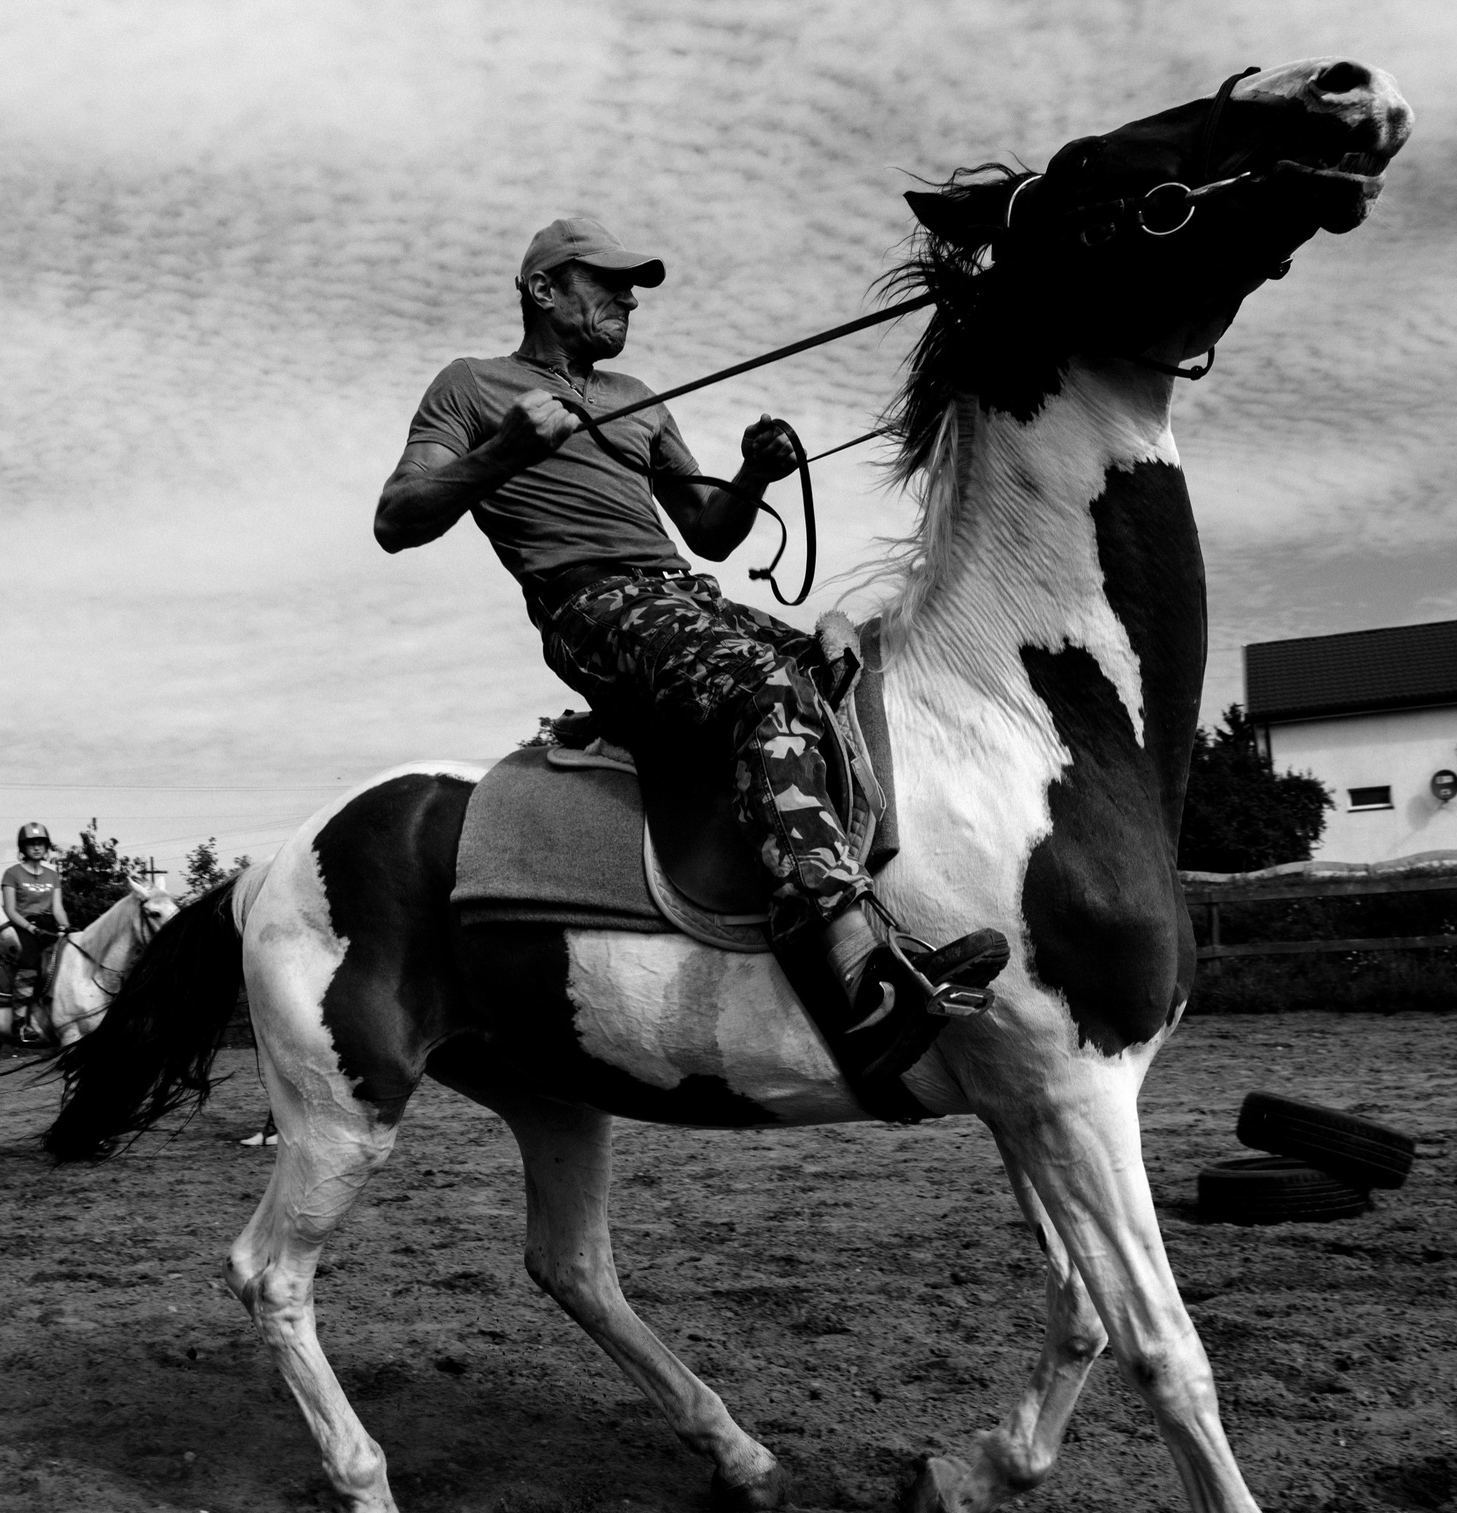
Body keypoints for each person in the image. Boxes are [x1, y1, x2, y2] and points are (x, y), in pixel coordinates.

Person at [371, 216, 1006, 1090]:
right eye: (606, 281)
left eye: (631, 285)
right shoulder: (471, 388)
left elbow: (708, 531)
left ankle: (900, 903)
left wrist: (752, 475)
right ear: (543, 289)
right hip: (591, 604)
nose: (627, 297)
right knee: (769, 689)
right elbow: (397, 518)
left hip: (684, 595)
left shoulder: (639, 397)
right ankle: (855, 974)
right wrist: (503, 452)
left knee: (847, 666)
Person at [1, 823, 70, 1046]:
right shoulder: (12, 874)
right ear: (23, 848)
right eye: (32, 844)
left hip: (49, 924)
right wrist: (31, 929)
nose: (37, 847)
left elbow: (58, 908)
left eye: (40, 843)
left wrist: (66, 928)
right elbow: (10, 910)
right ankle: (20, 1022)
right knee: (29, 963)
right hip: (23, 926)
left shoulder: (52, 875)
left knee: (69, 959)